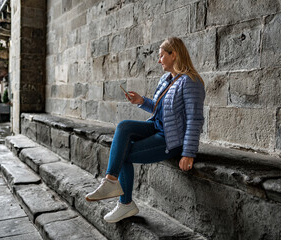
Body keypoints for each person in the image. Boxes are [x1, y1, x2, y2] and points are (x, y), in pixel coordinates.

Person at [85, 37, 205, 223]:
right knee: (124, 127)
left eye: (161, 56)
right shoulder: (167, 79)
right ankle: (110, 182)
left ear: (174, 55)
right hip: (157, 126)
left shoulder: (191, 82)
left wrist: (188, 153)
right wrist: (142, 101)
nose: (159, 60)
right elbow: (161, 109)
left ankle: (125, 204)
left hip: (171, 139)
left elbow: (194, 119)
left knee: (123, 152)